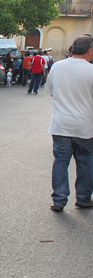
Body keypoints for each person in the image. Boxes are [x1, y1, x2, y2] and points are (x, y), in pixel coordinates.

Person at [46, 35, 93, 212]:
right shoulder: (91, 70)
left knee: (60, 162)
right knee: (85, 162)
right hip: (85, 126)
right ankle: (83, 197)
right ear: (89, 51)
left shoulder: (57, 67)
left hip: (60, 125)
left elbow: (51, 92)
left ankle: (59, 200)